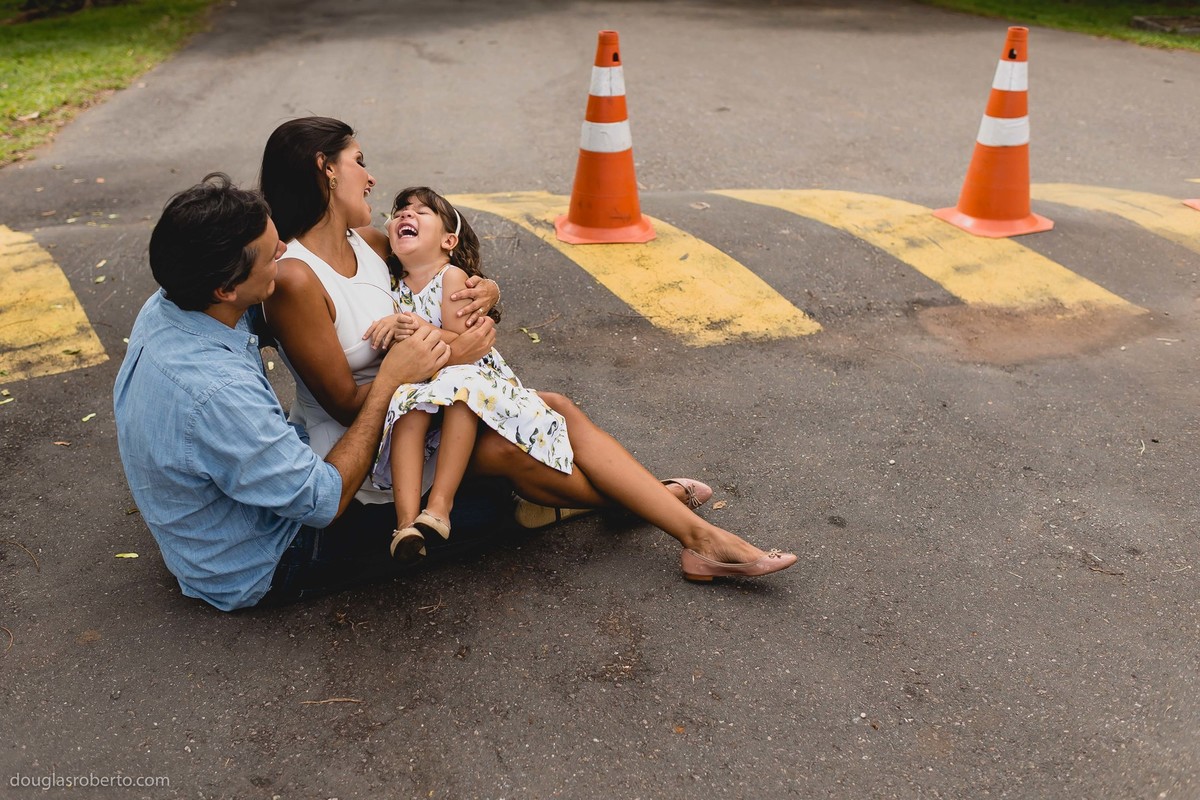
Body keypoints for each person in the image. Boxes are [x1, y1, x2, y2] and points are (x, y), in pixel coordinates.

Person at [255, 115, 797, 586]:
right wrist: (441, 356)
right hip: (372, 443)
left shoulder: (371, 243)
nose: (371, 178)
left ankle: (689, 530)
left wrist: (488, 292)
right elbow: (347, 403)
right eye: (359, 162)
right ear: (325, 168)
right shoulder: (298, 278)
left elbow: (442, 282)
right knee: (517, 446)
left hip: (433, 405)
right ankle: (674, 513)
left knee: (555, 405)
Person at [113, 173, 471, 611]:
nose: (286, 251)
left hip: (218, 524)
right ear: (226, 288)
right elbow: (324, 500)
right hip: (265, 560)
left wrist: (476, 289)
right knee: (471, 503)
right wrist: (390, 381)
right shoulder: (219, 391)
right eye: (271, 254)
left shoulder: (175, 300)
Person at [361, 187, 574, 561]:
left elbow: (465, 342)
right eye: (399, 212)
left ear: (448, 240)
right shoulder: (390, 284)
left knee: (460, 395)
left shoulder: (451, 277)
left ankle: (439, 507)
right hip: (426, 377)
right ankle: (407, 524)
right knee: (406, 409)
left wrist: (408, 326)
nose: (405, 216)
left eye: (422, 212)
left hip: (469, 376)